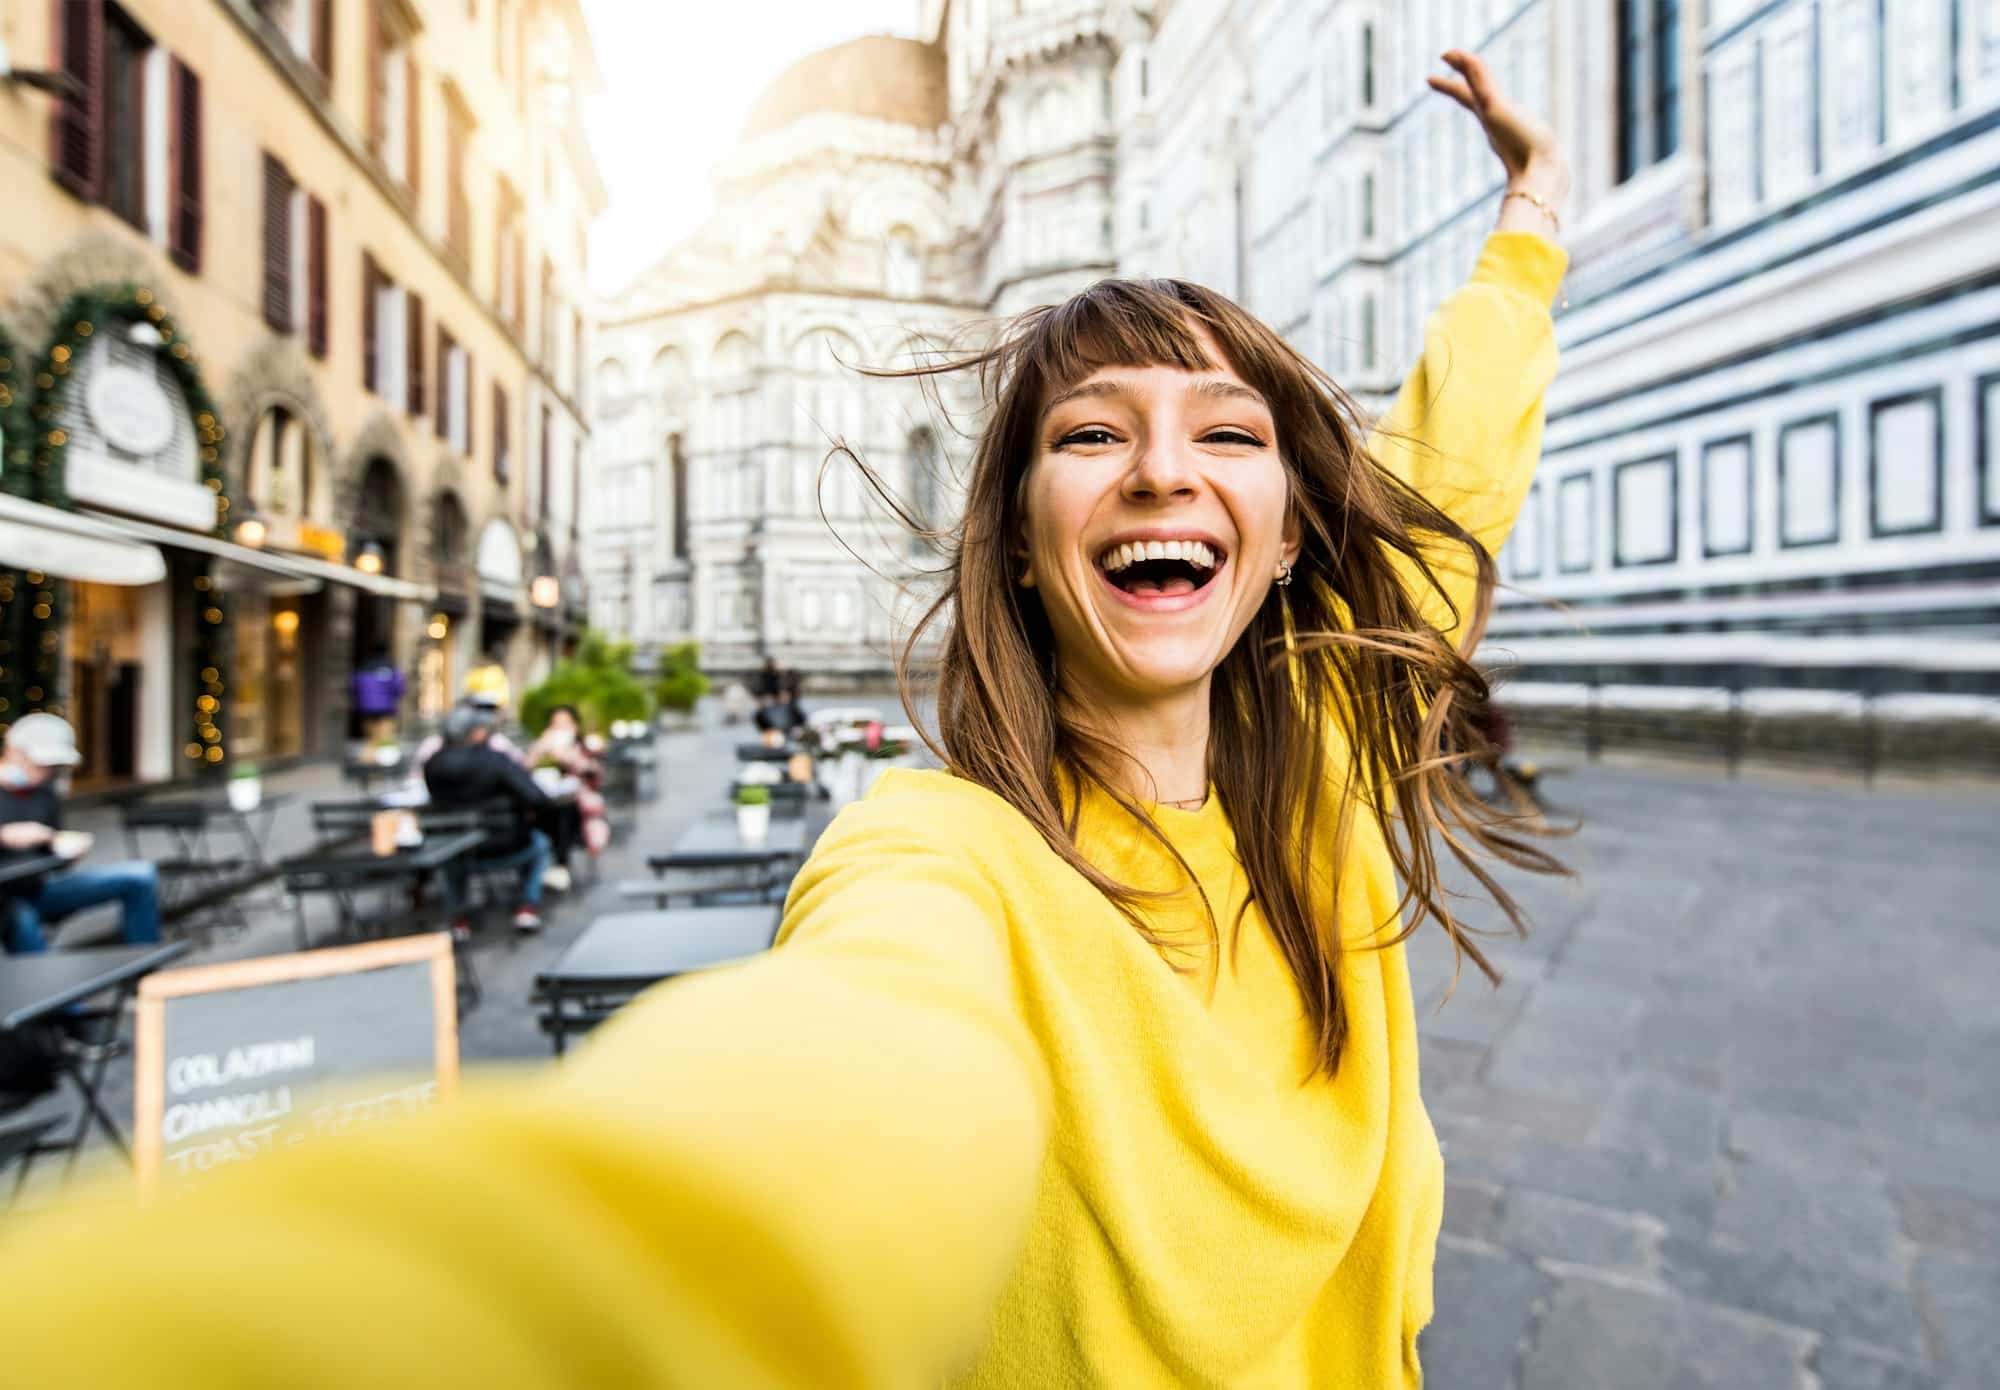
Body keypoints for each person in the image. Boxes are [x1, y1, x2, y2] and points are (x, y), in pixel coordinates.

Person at [0, 50, 1572, 1388]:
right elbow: (834, 1078)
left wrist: (1532, 217)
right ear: (1017, 539)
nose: (1166, 468)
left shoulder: (1331, 748)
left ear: (1291, 531)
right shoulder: (944, 859)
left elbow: (1449, 471)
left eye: (1228, 432)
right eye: (1094, 432)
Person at [0, 713, 161, 954]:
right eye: (40, 765)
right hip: (5, 901)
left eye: (52, 768)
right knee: (22, 919)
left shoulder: (44, 794)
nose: (45, 773)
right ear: (14, 752)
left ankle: (146, 976)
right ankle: (45, 988)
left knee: (140, 876)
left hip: (39, 888)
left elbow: (51, 850)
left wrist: (64, 850)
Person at [421, 704, 554, 934]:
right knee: (540, 843)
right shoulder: (495, 760)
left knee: (452, 850)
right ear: (476, 732)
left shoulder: (433, 764)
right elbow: (536, 797)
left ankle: (459, 917)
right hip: (506, 845)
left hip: (455, 849)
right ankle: (526, 906)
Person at [522, 703, 611, 888]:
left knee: (565, 811)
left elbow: (595, 773)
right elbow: (524, 768)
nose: (560, 727)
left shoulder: (583, 746)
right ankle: (544, 864)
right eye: (556, 724)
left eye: (565, 723)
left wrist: (568, 756)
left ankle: (561, 863)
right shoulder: (543, 745)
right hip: (544, 799)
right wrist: (541, 748)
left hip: (575, 801)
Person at [347, 648, 406, 743]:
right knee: (385, 738)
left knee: (370, 739)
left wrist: (358, 701)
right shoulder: (390, 667)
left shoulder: (363, 667)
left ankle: (368, 756)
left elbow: (353, 687)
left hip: (365, 708)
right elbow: (399, 687)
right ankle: (383, 755)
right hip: (386, 708)